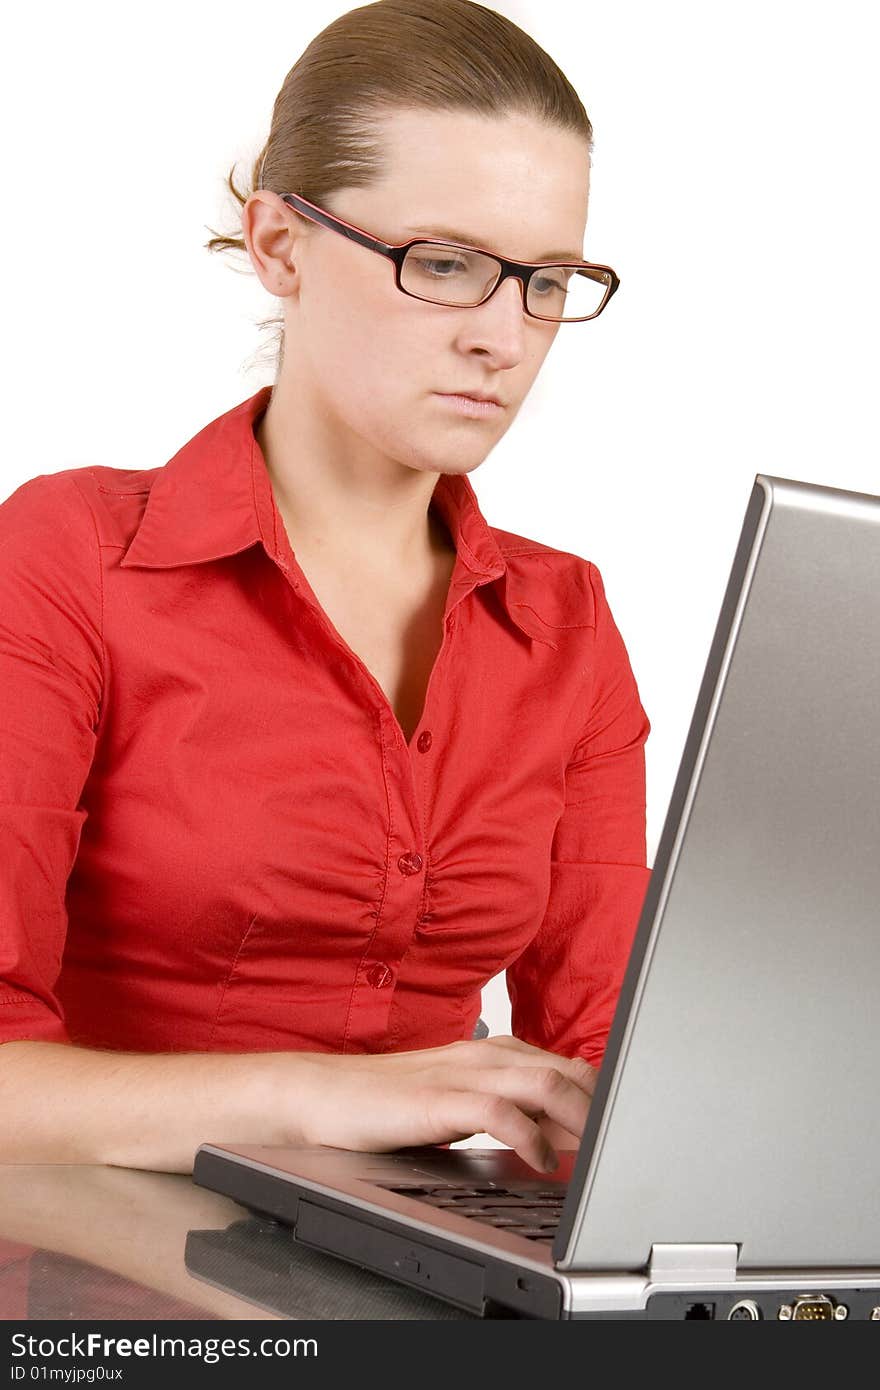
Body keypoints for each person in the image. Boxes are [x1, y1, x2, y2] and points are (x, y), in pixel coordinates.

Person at [0, 0, 650, 1176]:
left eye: (547, 280)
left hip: (434, 1263)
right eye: (445, 263)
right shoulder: (69, 557)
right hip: (94, 1257)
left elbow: (603, 1064)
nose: (504, 337)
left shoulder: (567, 622)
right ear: (279, 246)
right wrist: (322, 1098)